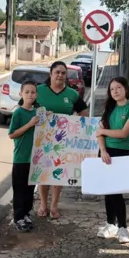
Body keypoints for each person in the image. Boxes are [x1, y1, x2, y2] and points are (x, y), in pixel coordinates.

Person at [35, 61, 89, 219]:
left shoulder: (72, 94)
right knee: (43, 173)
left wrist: (77, 127)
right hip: (42, 141)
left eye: (63, 73)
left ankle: (54, 206)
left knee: (58, 173)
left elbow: (84, 114)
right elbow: (25, 108)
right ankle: (43, 204)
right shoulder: (38, 91)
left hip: (63, 142)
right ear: (50, 74)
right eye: (57, 72)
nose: (60, 75)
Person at [95, 76, 129, 244]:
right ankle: (110, 224)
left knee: (116, 192)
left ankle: (123, 227)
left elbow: (123, 133)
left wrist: (103, 132)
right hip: (106, 153)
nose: (115, 91)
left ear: (126, 89)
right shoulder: (109, 108)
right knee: (108, 191)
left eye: (118, 88)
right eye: (112, 89)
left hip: (121, 153)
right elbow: (98, 135)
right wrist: (103, 150)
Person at [8, 80, 40, 232]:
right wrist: (29, 125)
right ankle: (18, 217)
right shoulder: (18, 113)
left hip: (34, 159)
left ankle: (27, 213)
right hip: (21, 158)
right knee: (19, 189)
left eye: (33, 92)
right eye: (27, 92)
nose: (30, 95)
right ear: (21, 94)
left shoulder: (38, 113)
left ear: (36, 94)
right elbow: (12, 134)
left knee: (30, 189)